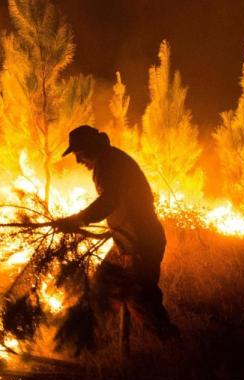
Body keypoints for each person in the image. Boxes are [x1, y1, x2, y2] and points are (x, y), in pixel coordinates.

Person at [50, 125, 178, 351]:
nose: (78, 161)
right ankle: (92, 347)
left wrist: (78, 220)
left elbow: (110, 201)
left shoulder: (108, 164)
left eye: (79, 153)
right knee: (103, 290)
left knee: (141, 300)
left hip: (140, 243)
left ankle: (175, 349)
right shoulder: (109, 160)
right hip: (128, 242)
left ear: (89, 147)